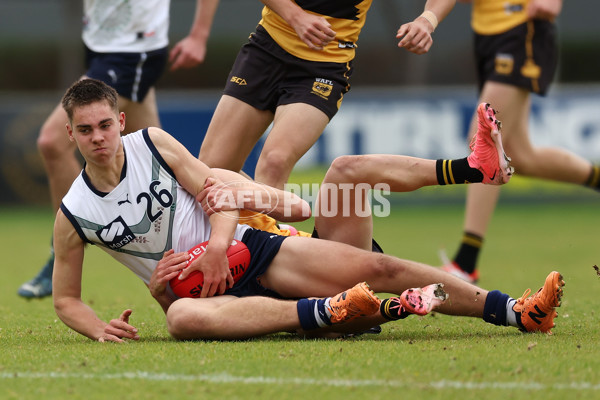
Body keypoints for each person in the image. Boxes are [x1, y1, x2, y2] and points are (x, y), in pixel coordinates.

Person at [52, 79, 563, 343]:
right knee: (182, 318)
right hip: (205, 298)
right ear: (70, 133)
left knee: (378, 261)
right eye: (85, 130)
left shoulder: (153, 145)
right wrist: (102, 324)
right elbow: (65, 299)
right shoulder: (74, 213)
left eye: (105, 126)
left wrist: (215, 247)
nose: (98, 138)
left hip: (249, 252)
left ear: (120, 121)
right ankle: (333, 311)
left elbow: (221, 194)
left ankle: (514, 311)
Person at [18, 0, 220, 298]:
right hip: (102, 46)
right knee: (164, 168)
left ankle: (58, 251)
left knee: (51, 142)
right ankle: (191, 269)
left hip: (132, 51)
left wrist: (199, 35)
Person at [198, 0, 456, 189]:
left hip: (324, 66)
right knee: (211, 171)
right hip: (265, 53)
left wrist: (426, 20)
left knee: (275, 161)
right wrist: (296, 16)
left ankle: (268, 254)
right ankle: (268, 233)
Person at [440, 0, 600, 283]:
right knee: (521, 156)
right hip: (487, 32)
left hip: (520, 28)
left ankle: (466, 263)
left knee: (484, 139)